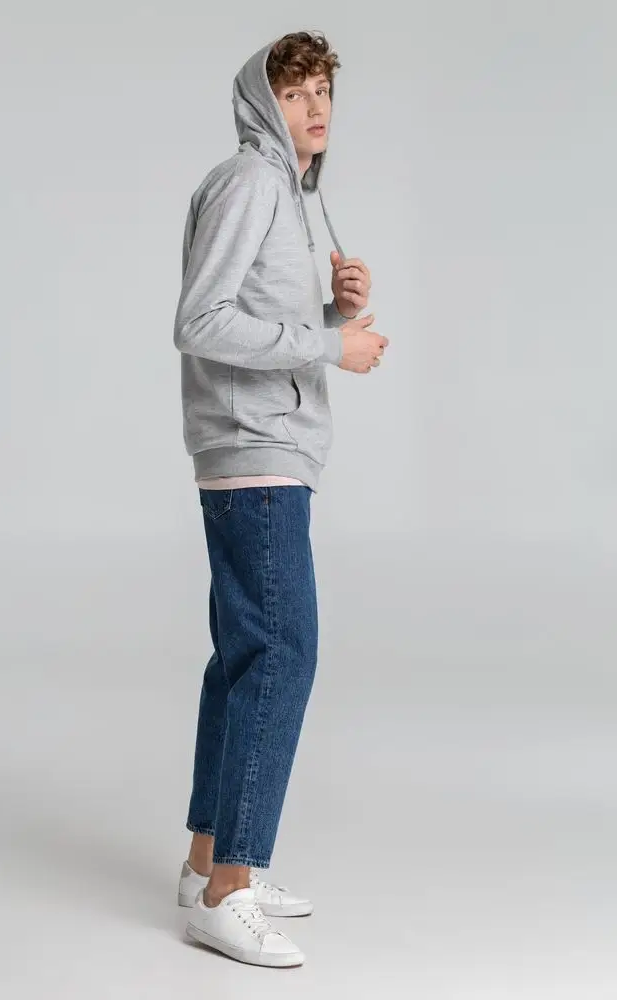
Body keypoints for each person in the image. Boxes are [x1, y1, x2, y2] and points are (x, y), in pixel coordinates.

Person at [172, 30, 389, 968]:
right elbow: (201, 321)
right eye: (295, 92)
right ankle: (230, 892)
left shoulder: (290, 195)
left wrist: (332, 308)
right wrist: (333, 346)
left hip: (260, 446)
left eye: (323, 91)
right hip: (255, 451)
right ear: (264, 102)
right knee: (282, 654)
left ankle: (205, 867)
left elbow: (258, 318)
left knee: (242, 659)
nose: (315, 107)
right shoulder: (252, 182)